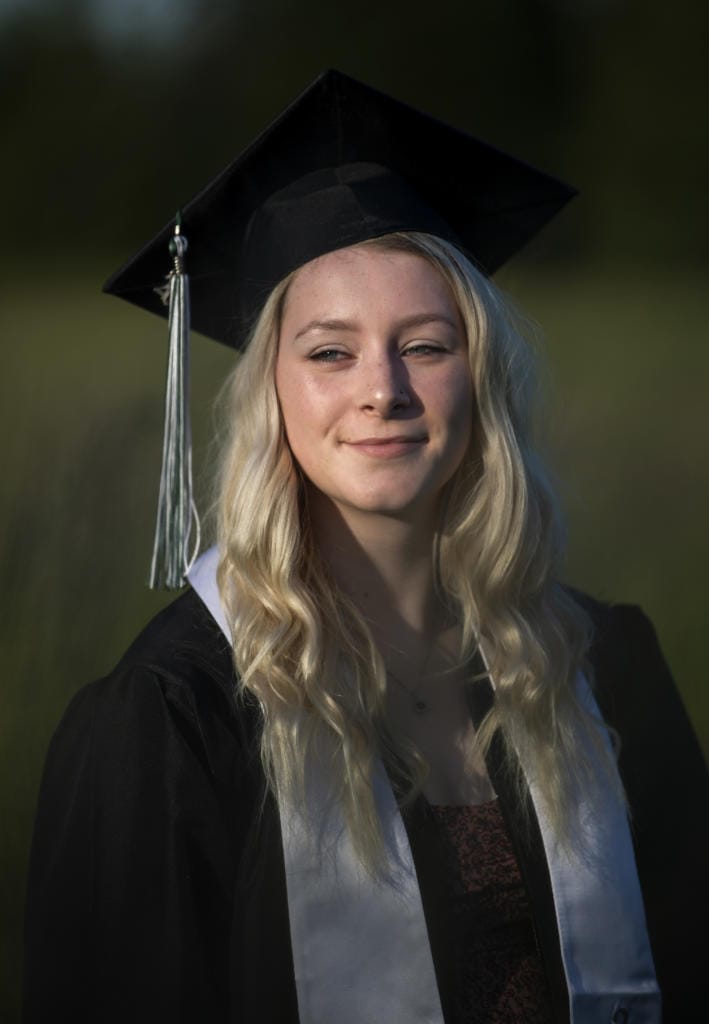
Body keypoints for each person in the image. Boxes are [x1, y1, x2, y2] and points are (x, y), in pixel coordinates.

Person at [22, 70, 707, 1024]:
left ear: (481, 380)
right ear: (274, 392)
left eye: (425, 345)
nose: (381, 389)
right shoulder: (171, 722)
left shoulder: (600, 667)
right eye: (329, 352)